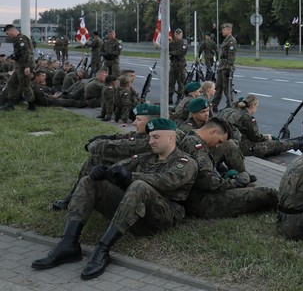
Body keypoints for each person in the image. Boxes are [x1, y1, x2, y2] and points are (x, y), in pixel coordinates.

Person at [31, 118, 198, 280]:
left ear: (171, 137)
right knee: (89, 181)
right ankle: (68, 243)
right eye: (150, 137)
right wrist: (104, 171)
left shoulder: (185, 162)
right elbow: (120, 168)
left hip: (160, 218)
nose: (151, 142)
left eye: (156, 137)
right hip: (136, 213)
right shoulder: (146, 157)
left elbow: (166, 181)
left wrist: (129, 176)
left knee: (139, 185)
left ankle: (102, 249)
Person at [53, 103, 162, 211]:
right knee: (97, 160)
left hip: (140, 177)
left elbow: (117, 147)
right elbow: (123, 137)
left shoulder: (152, 141)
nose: (134, 123)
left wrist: (92, 145)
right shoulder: (145, 134)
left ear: (151, 122)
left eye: (138, 119)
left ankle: (75, 198)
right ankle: (77, 197)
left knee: (96, 160)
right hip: (135, 169)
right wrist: (105, 137)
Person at [179, 117, 279, 219]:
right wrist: (234, 183)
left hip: (200, 198)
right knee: (267, 193)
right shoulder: (196, 146)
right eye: (219, 141)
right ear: (213, 132)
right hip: (205, 203)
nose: (217, 146)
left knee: (258, 193)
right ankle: (291, 205)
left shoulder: (193, 137)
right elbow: (206, 182)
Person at [218, 94, 303, 157]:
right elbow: (256, 138)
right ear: (253, 105)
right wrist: (267, 137)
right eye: (257, 106)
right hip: (242, 147)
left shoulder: (228, 110)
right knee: (273, 144)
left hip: (226, 142)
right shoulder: (247, 117)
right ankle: (299, 143)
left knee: (271, 141)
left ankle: (296, 140)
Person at [2, 24, 36, 110]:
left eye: (7, 33)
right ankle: (10, 104)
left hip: (24, 65)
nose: (8, 35)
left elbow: (26, 53)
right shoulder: (17, 39)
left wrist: (27, 66)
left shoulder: (21, 39)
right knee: (11, 83)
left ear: (11, 30)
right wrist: (12, 57)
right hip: (20, 65)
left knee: (25, 85)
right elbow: (19, 53)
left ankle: (32, 106)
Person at [211, 23, 236, 112]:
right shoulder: (226, 40)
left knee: (227, 88)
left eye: (224, 30)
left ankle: (230, 105)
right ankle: (214, 105)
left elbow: (231, 56)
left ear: (229, 30)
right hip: (221, 66)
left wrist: (229, 68)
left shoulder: (231, 41)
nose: (222, 31)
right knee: (218, 87)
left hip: (226, 67)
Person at [168, 28, 188, 105]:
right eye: (176, 34)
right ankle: (169, 97)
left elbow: (180, 52)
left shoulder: (184, 43)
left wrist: (171, 52)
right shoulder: (172, 43)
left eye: (179, 34)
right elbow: (166, 49)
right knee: (171, 82)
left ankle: (179, 98)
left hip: (181, 66)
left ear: (181, 35)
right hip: (173, 65)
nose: (177, 36)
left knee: (181, 83)